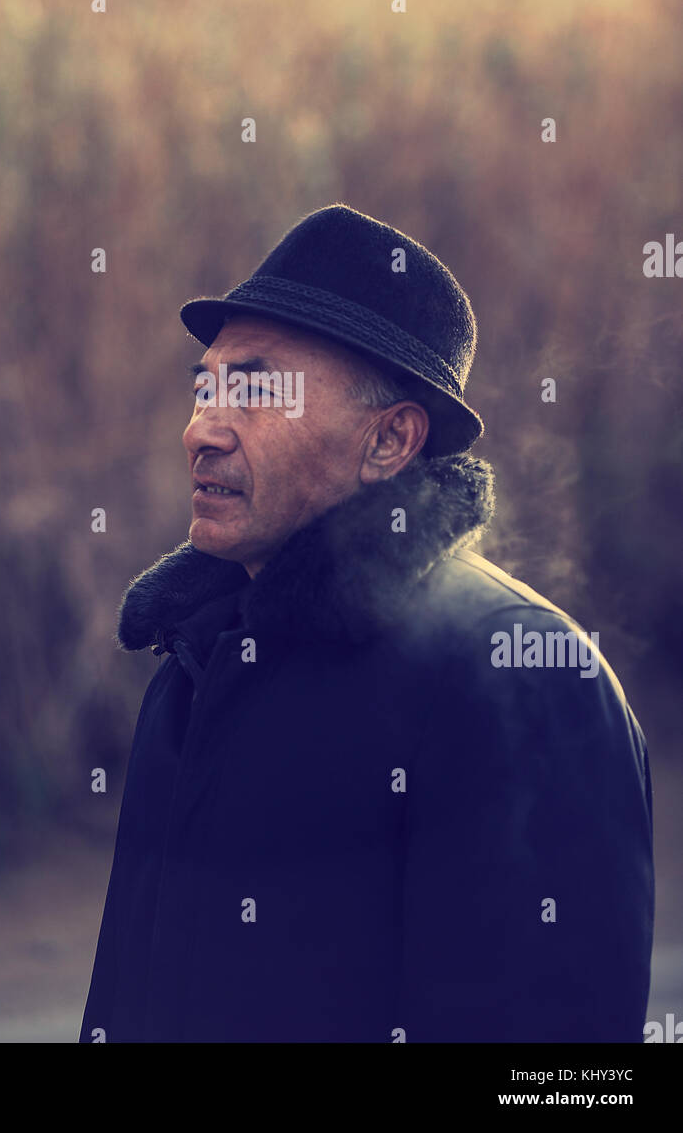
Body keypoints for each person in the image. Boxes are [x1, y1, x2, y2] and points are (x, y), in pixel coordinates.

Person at [80, 202, 654, 1043]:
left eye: (256, 390)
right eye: (205, 387)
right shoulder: (193, 661)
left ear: (389, 443)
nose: (199, 429)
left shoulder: (522, 677)